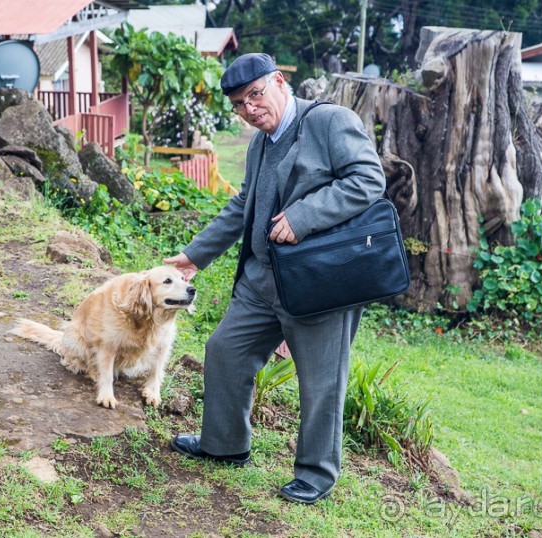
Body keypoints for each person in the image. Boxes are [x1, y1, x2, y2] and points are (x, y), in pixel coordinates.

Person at [163, 53, 386, 504]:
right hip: (261, 279)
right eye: (239, 105)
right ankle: (224, 446)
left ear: (280, 82)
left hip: (316, 282)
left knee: (321, 380)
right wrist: (194, 256)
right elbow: (242, 206)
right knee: (224, 349)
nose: (249, 109)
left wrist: (304, 215)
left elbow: (368, 178)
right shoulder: (258, 144)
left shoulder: (328, 122)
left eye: (255, 95)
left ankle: (316, 473)